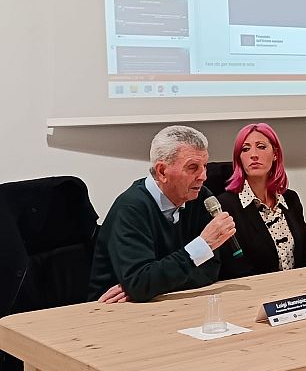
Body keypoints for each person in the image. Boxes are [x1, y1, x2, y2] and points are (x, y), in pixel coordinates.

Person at [88, 126, 236, 303]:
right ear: (162, 172)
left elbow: (210, 269)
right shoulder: (130, 208)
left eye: (204, 166)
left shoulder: (201, 197)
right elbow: (140, 283)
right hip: (112, 309)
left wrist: (155, 285)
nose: (203, 176)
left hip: (169, 302)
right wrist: (202, 246)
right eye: (193, 167)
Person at [216, 123, 306, 279]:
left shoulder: (290, 199)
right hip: (256, 290)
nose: (253, 155)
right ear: (239, 158)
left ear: (275, 154)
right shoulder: (226, 206)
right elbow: (233, 268)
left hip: (299, 288)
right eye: (245, 149)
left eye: (261, 147)